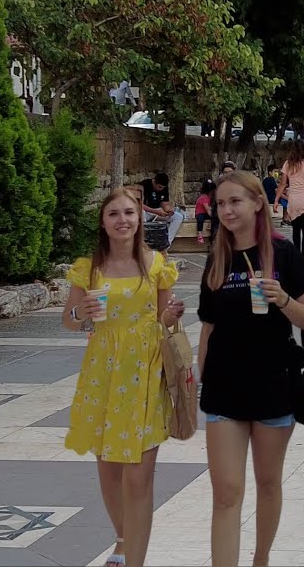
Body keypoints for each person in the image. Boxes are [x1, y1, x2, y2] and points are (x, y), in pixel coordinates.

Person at [61, 187, 185, 567]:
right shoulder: (89, 268)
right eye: (114, 213)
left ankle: (135, 558)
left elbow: (165, 322)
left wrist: (171, 318)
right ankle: (122, 537)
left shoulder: (156, 264)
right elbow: (68, 321)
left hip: (146, 370)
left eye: (129, 212)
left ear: (139, 218)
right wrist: (81, 312)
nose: (123, 220)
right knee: (108, 468)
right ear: (103, 221)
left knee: (139, 476)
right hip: (103, 372)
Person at [197, 170, 304, 567]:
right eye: (221, 204)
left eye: (235, 201)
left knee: (267, 484)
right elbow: (208, 326)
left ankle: (261, 560)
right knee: (226, 493)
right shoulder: (217, 258)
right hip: (224, 387)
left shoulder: (284, 254)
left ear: (257, 203)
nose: (227, 210)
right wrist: (201, 376)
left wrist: (283, 298)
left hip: (274, 384)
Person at [273, 140, 304, 266]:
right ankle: (303, 258)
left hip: (294, 199)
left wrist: (277, 200)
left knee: (296, 230)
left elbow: (283, 184)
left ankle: (296, 257)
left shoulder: (288, 164)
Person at [139, 172, 185, 251]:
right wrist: (155, 211)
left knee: (178, 217)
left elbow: (165, 204)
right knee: (141, 213)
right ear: (154, 182)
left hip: (158, 211)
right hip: (146, 211)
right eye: (159, 187)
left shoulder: (164, 188)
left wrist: (169, 210)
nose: (161, 189)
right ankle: (144, 243)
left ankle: (166, 244)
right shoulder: (144, 185)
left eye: (162, 187)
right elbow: (139, 204)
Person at [195, 178, 216, 244]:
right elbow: (207, 209)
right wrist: (212, 216)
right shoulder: (203, 197)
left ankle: (211, 225)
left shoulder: (209, 197)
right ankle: (200, 234)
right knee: (200, 219)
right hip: (200, 213)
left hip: (205, 213)